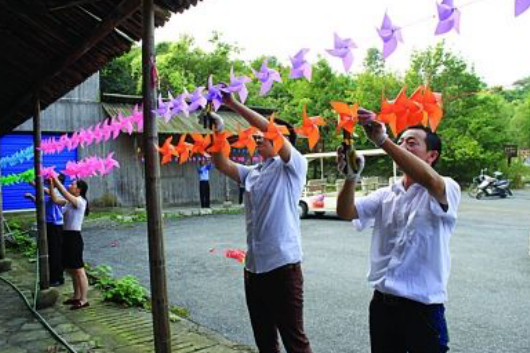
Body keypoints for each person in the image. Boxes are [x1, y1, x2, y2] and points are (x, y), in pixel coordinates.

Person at [336, 111, 461, 353]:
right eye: (401, 141)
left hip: (423, 308)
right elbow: (346, 212)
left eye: (412, 143)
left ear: (432, 155)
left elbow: (431, 181)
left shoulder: (447, 187)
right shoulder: (387, 193)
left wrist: (384, 141)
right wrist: (351, 177)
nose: (403, 146)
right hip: (382, 304)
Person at [211, 94, 313, 353]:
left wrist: (233, 104)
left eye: (266, 135)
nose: (259, 138)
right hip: (254, 269)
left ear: (282, 141)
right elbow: (220, 163)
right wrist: (219, 130)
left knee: (295, 342)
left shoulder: (293, 167)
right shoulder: (253, 172)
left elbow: (272, 131)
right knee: (265, 340)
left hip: (282, 267)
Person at [49, 177, 90, 310]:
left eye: (73, 184)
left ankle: (84, 299)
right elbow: (55, 199)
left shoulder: (80, 201)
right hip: (66, 236)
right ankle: (76, 296)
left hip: (74, 237)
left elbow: (65, 193)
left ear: (79, 190)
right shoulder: (69, 202)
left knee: (79, 269)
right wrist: (51, 185)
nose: (70, 185)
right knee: (71, 269)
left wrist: (55, 179)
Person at [24, 174, 66, 286]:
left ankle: (58, 278)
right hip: (47, 224)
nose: (47, 179)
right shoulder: (50, 190)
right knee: (49, 252)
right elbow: (43, 204)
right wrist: (32, 197)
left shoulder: (59, 192)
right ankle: (51, 277)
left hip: (55, 225)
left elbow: (52, 196)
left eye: (51, 178)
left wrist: (34, 184)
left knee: (55, 252)